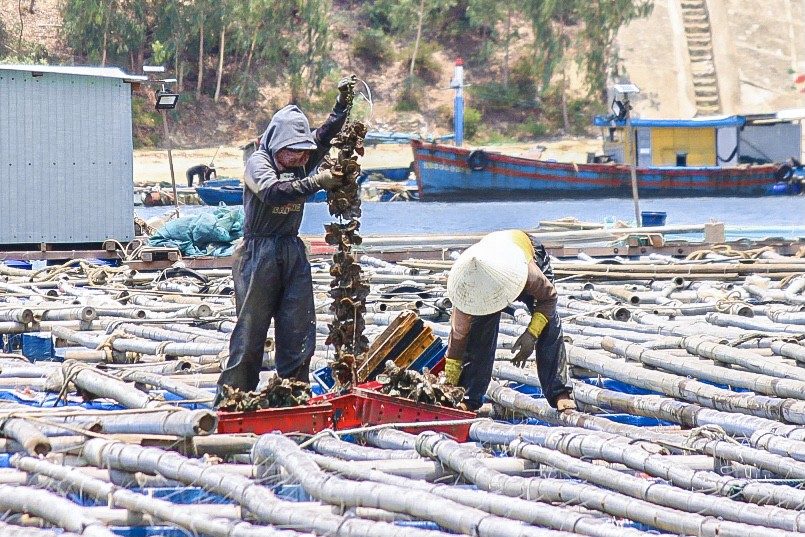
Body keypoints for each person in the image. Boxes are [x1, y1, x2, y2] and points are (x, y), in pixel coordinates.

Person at [215, 76, 356, 404]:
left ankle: (293, 396)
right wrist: (317, 182)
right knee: (250, 333)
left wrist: (342, 107)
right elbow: (273, 193)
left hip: (292, 250)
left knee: (299, 329)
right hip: (258, 252)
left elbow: (324, 135)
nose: (301, 158)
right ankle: (234, 400)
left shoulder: (305, 157)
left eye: (304, 152)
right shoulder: (258, 163)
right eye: (294, 152)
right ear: (278, 145)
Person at [444, 229, 575, 412]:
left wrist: (532, 333)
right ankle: (469, 397)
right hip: (489, 255)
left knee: (549, 325)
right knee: (478, 335)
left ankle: (560, 392)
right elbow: (458, 340)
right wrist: (449, 382)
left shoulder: (530, 272)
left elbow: (549, 299)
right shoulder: (465, 296)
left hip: (523, 251)